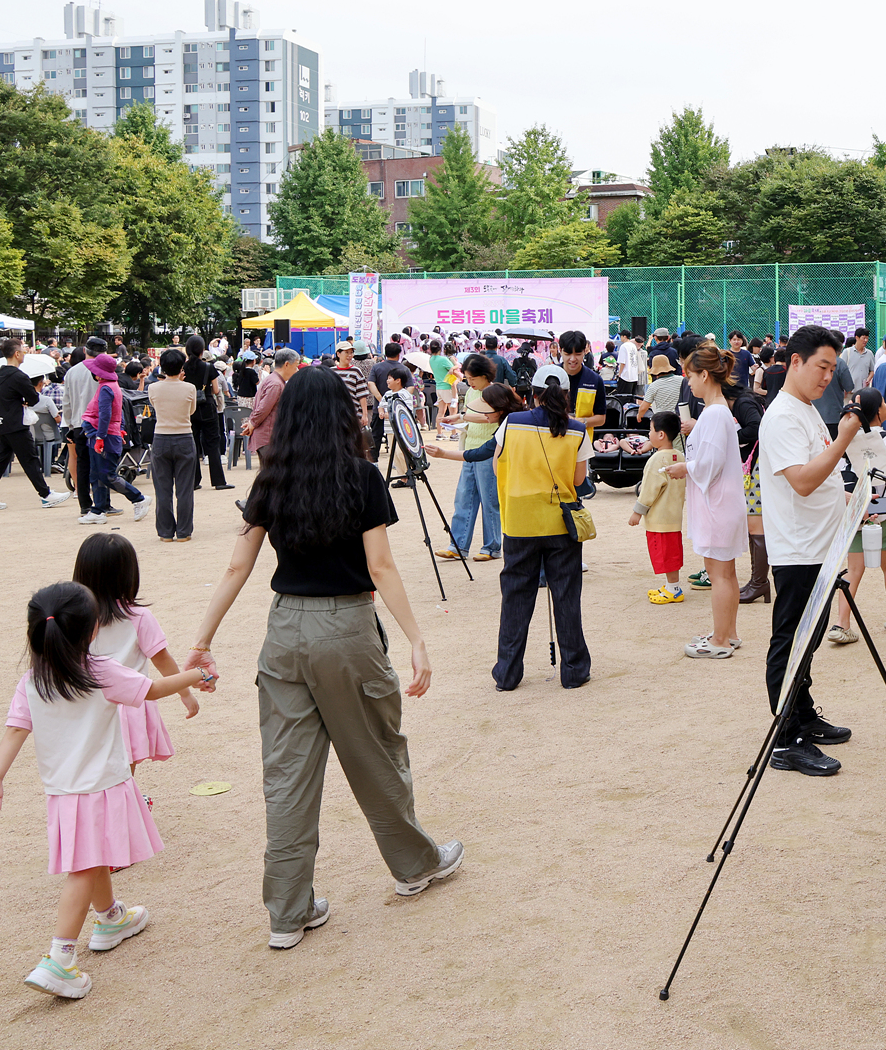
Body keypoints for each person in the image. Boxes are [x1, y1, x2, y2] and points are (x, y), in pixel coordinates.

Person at [188, 365, 464, 948]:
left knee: (287, 776)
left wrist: (202, 640)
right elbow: (381, 567)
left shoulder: (271, 479)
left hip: (284, 630)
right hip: (345, 628)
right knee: (376, 755)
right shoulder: (362, 477)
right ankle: (415, 866)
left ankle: (287, 913)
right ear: (344, 412)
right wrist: (415, 637)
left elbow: (238, 567)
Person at [0, 581, 213, 999]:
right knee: (84, 867)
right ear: (90, 631)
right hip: (100, 784)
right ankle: (59, 959)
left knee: (94, 853)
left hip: (63, 791)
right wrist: (200, 674)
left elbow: (16, 728)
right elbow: (152, 689)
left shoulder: (33, 680)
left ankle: (110, 917)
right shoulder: (99, 670)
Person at [758, 324, 862, 777]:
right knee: (792, 641)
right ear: (794, 362)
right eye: (822, 367)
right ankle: (785, 739)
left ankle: (801, 714)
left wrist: (853, 504)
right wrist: (843, 439)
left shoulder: (805, 409)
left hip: (819, 546)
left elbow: (822, 479)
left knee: (810, 639)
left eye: (832, 369)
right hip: (799, 550)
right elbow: (801, 481)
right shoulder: (782, 415)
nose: (827, 377)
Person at [482, 372, 594, 690]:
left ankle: (507, 673)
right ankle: (573, 670)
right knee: (566, 596)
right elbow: (577, 480)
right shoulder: (576, 429)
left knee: (516, 598)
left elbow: (496, 465)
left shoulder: (512, 422)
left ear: (534, 393)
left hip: (519, 521)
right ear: (566, 394)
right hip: (561, 522)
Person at [74, 532, 197, 769]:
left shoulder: (75, 616)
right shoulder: (138, 616)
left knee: (96, 770)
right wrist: (185, 693)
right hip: (129, 704)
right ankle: (129, 804)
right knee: (125, 773)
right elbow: (162, 660)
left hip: (89, 704)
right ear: (128, 575)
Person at [673, 342, 748, 658]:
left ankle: (719, 639)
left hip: (717, 503)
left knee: (719, 574)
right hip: (722, 502)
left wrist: (684, 467)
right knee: (725, 573)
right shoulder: (718, 411)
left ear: (704, 375)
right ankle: (727, 633)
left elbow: (710, 463)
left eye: (690, 375)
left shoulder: (715, 413)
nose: (688, 382)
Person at [828, 387, 886, 645]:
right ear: (879, 411)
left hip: (852, 507)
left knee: (853, 568)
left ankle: (842, 624)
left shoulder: (845, 439)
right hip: (882, 508)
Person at [0, 338, 75, 513]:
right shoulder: (18, 376)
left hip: (1, 422)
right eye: (22, 351)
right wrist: (25, 398)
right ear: (17, 354)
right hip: (16, 423)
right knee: (29, 459)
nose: (24, 354)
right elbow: (34, 398)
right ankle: (45, 494)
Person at [436, 355, 505, 563]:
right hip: (470, 450)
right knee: (464, 499)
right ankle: (457, 545)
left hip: (487, 451)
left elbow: (490, 416)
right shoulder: (474, 391)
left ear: (485, 376)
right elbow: (469, 414)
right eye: (466, 377)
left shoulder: (494, 393)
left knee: (489, 500)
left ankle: (492, 547)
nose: (469, 382)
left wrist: (462, 417)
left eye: (472, 378)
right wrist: (457, 419)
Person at [78, 354, 151, 524]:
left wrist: (100, 437)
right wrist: (121, 429)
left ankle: (138, 499)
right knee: (98, 474)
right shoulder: (113, 386)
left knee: (106, 475)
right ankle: (98, 510)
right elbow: (118, 411)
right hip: (108, 433)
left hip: (103, 433)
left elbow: (105, 414)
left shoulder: (105, 388)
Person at [630, 411, 687, 603]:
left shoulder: (656, 459)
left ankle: (674, 588)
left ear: (660, 434)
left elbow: (648, 489)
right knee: (672, 552)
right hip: (674, 516)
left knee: (665, 554)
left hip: (660, 518)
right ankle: (671, 585)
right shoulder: (679, 455)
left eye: (650, 430)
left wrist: (638, 512)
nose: (649, 435)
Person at [147, 350, 199, 543]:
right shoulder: (190, 388)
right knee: (184, 489)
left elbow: (154, 407)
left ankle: (165, 532)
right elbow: (191, 410)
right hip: (184, 437)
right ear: (181, 367)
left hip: (161, 438)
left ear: (161, 366)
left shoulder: (153, 388)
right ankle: (184, 531)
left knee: (162, 488)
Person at [181, 335, 231, 491]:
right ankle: (218, 481)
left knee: (193, 444)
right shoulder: (209, 368)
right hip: (207, 407)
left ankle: (194, 481)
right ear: (202, 350)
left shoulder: (183, 367)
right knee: (212, 444)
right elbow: (216, 390)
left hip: (190, 408)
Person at [61, 339, 102, 517]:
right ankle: (102, 503)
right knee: (101, 464)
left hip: (78, 423)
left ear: (85, 350)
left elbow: (67, 401)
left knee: (82, 464)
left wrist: (70, 423)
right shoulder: (103, 370)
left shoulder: (71, 372)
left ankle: (85, 504)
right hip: (99, 423)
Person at [242, 348, 301, 459]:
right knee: (273, 474)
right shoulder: (276, 384)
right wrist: (252, 423)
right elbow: (263, 408)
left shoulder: (273, 379)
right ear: (287, 364)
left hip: (269, 437)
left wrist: (252, 423)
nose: (297, 370)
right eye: (296, 365)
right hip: (268, 437)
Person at [636, 351, 683, 420]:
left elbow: (643, 407)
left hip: (661, 419)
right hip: (679, 418)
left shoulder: (654, 385)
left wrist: (639, 416)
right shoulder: (682, 380)